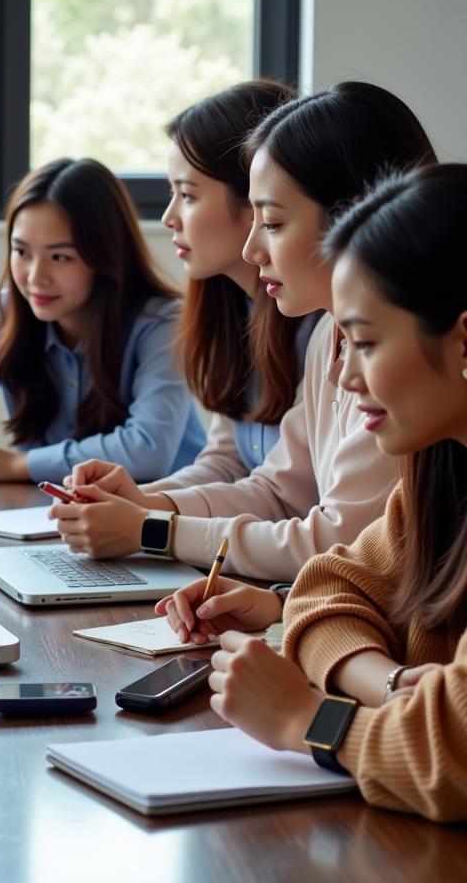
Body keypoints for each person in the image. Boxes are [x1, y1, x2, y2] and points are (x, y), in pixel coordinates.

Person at [159, 164, 467, 822]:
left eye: (365, 343)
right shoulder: (440, 470)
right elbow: (324, 589)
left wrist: (307, 718)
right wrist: (392, 687)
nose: (347, 378)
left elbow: (455, 758)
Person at [50, 82, 436, 581]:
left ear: (354, 218)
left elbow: (340, 542)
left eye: (271, 223)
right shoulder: (327, 336)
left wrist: (152, 527)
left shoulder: (400, 358)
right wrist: (148, 504)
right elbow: (279, 489)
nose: (254, 250)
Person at [0, 157, 206, 492]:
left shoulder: (162, 323)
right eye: (21, 251)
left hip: (162, 518)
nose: (35, 277)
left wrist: (19, 464)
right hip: (50, 520)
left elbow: (148, 449)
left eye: (60, 257)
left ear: (105, 256)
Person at [149, 79, 319, 492]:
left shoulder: (320, 325)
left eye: (187, 195)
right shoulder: (235, 308)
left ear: (254, 201)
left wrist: (145, 517)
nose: (169, 218)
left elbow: (282, 496)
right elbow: (226, 462)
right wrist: (129, 499)